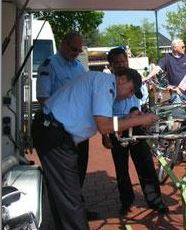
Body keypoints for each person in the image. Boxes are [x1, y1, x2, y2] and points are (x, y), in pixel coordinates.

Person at [31, 68, 159, 230]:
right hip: (54, 133)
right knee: (70, 195)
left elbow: (100, 118)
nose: (130, 95)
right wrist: (141, 120)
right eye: (131, 90)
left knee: (63, 194)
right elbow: (104, 126)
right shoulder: (106, 85)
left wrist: (126, 119)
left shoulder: (101, 82)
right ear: (122, 79)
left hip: (53, 132)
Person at [35, 31, 95, 216]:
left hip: (78, 128)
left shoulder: (78, 66)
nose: (76, 53)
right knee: (62, 174)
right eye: (73, 49)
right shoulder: (50, 65)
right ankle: (64, 213)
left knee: (79, 169)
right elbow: (43, 97)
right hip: (59, 129)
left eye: (79, 50)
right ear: (62, 44)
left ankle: (78, 208)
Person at [104, 47, 168, 215]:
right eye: (117, 62)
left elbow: (142, 99)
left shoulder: (135, 77)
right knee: (121, 168)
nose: (121, 65)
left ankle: (155, 200)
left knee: (145, 164)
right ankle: (126, 201)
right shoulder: (106, 84)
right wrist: (105, 135)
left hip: (136, 124)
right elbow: (101, 112)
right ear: (110, 65)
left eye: (123, 61)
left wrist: (138, 113)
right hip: (116, 128)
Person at [146, 39, 186, 104]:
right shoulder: (167, 58)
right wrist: (148, 77)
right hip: (175, 93)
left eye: (184, 47)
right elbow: (158, 67)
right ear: (175, 48)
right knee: (177, 112)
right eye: (182, 47)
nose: (184, 48)